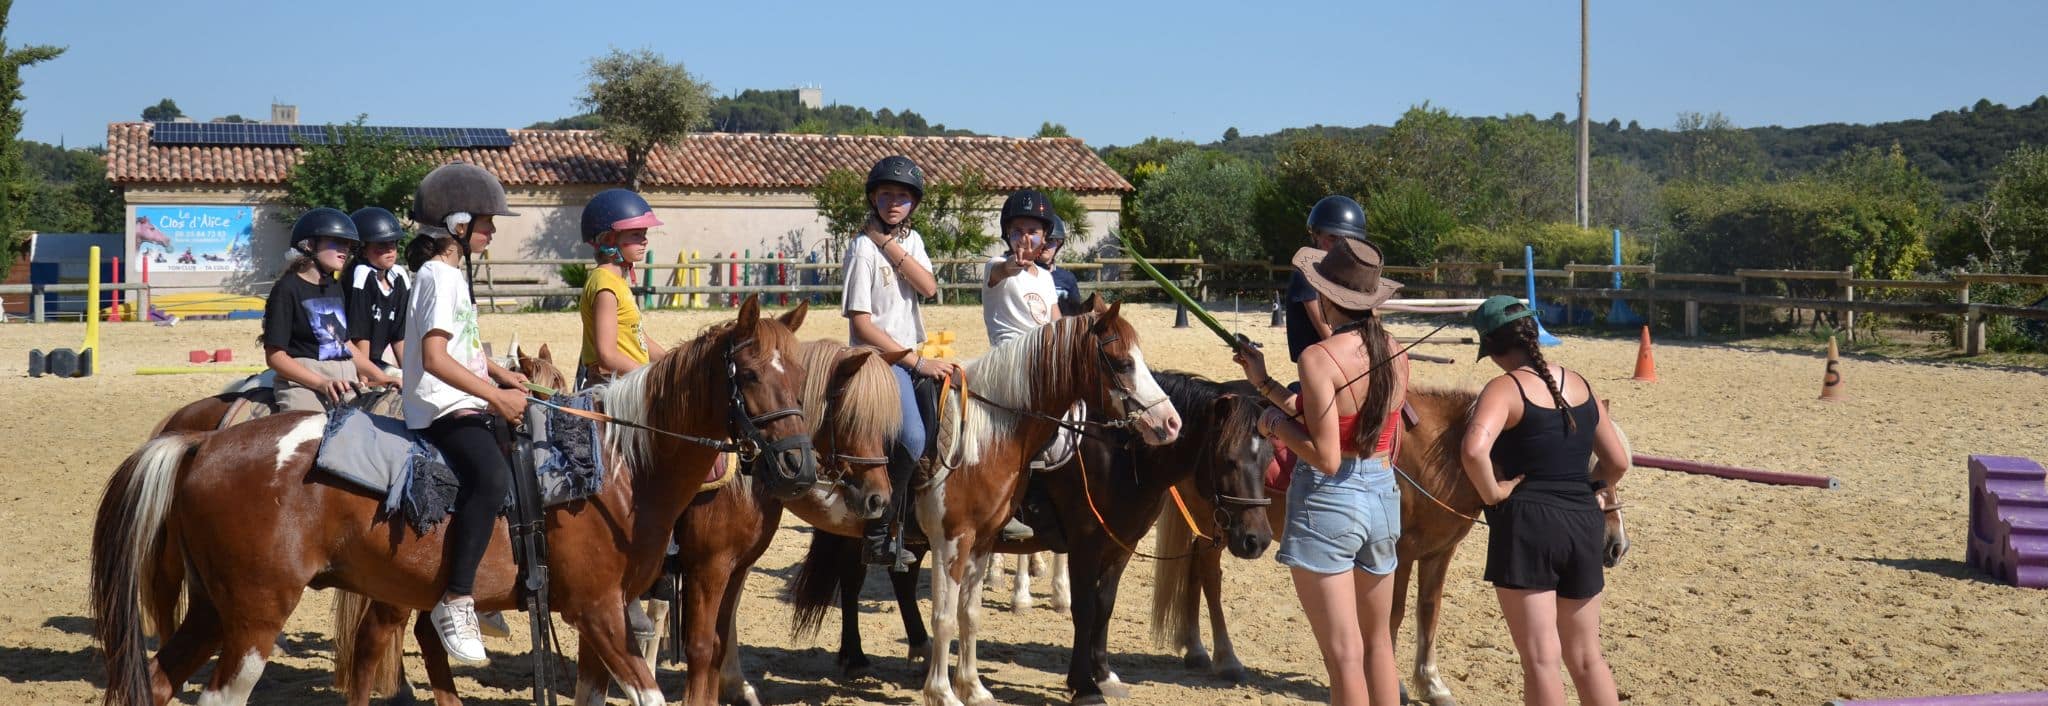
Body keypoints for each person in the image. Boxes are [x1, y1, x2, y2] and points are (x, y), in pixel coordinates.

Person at [1235, 236, 1409, 706]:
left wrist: (1272, 423)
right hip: (1381, 493)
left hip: (1331, 501)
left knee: (1343, 654)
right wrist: (1265, 382)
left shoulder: (1318, 357)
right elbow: (1329, 416)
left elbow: (1326, 454)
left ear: (1328, 297)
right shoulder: (1394, 348)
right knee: (1377, 646)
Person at [1459, 295, 1629, 706]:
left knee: (1541, 660)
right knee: (1588, 657)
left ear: (1496, 349)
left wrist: (1494, 493)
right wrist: (1585, 487)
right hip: (1584, 520)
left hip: (1528, 525)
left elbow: (1473, 451)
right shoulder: (1581, 384)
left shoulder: (1506, 387)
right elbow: (1618, 461)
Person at [401, 162, 531, 666]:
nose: (492, 231)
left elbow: (464, 346)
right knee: (493, 477)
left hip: (469, 395)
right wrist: (495, 399)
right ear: (458, 224)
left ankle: (486, 579)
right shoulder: (439, 276)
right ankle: (457, 598)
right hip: (442, 406)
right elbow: (434, 359)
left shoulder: (451, 274)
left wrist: (500, 375)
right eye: (486, 222)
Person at [842, 155, 955, 569]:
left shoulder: (912, 242)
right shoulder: (859, 250)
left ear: (914, 204)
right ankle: (878, 530)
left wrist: (888, 244)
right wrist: (914, 362)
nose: (894, 202)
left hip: (913, 356)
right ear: (873, 198)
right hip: (878, 360)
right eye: (886, 194)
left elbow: (928, 287)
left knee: (952, 424)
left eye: (903, 196)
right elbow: (861, 324)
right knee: (910, 438)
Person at [982, 190, 1063, 542]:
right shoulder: (996, 267)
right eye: (1018, 230)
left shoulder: (1045, 279)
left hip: (1043, 364)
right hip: (1011, 364)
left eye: (1033, 230)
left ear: (1045, 236)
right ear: (1008, 234)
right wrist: (1012, 264)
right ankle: (1012, 506)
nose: (1026, 237)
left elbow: (1057, 325)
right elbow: (1003, 270)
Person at [263, 207, 366, 413]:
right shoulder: (286, 289)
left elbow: (344, 344)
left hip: (345, 380)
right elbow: (275, 356)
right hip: (303, 385)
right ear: (309, 245)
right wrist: (321, 383)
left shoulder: (334, 286)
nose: (344, 250)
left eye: (348, 245)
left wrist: (383, 376)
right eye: (337, 242)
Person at [576, 188, 667, 387]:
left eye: (644, 234)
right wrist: (649, 377)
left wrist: (672, 362)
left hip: (628, 383)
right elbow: (607, 354)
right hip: (614, 388)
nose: (644, 240)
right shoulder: (605, 285)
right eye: (636, 234)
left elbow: (638, 337)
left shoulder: (616, 282)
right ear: (609, 239)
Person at [1286, 196, 1365, 363]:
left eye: (1348, 240)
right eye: (1333, 238)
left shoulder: (1348, 276)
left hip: (1351, 362)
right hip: (1322, 370)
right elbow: (1329, 335)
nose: (1340, 247)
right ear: (1316, 234)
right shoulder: (1306, 276)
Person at [345, 206, 408, 387]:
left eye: (393, 243)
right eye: (381, 245)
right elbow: (359, 334)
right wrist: (363, 381)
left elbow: (399, 335)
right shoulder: (362, 276)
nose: (391, 250)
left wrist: (410, 374)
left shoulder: (399, 277)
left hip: (375, 364)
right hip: (353, 364)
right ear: (362, 250)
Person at [1043, 214, 1085, 317]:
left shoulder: (1068, 278)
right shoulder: (1025, 274)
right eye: (1041, 240)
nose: (1044, 245)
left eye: (1050, 240)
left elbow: (1075, 313)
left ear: (1058, 243)